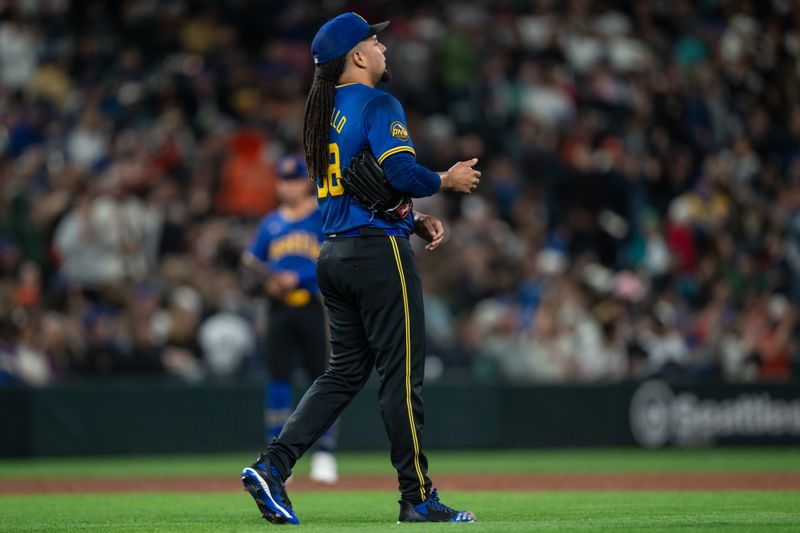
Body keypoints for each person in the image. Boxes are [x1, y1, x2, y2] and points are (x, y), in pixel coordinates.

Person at [241, 12, 480, 525]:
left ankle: (273, 466)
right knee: (402, 376)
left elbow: (366, 189)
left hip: (335, 255)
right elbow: (400, 173)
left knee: (344, 372)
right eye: (375, 39)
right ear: (357, 56)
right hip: (378, 257)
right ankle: (416, 497)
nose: (383, 46)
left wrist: (411, 218)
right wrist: (446, 177)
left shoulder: (324, 114)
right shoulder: (377, 102)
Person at [241, 154, 338, 484]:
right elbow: (251, 269)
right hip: (279, 310)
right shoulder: (270, 223)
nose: (288, 186)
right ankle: (275, 455)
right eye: (283, 180)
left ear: (305, 182)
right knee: (278, 380)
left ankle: (325, 452)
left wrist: (300, 280)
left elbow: (333, 262)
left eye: (294, 179)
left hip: (313, 306)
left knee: (323, 379)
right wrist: (266, 282)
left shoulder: (321, 216)